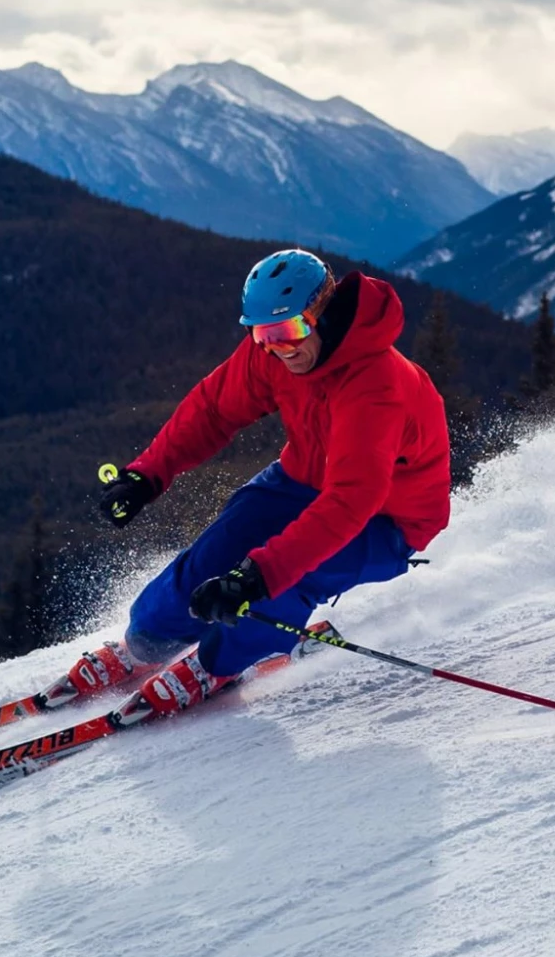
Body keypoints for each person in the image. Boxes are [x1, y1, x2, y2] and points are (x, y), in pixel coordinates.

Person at [38, 249, 452, 726]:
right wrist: (148, 474)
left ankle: (217, 665)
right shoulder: (273, 356)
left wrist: (257, 575)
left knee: (282, 583)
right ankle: (143, 645)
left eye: (289, 331)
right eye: (263, 334)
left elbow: (350, 501)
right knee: (212, 557)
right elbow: (214, 410)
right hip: (301, 478)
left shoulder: (376, 386)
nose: (280, 348)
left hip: (387, 519)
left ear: (322, 312)